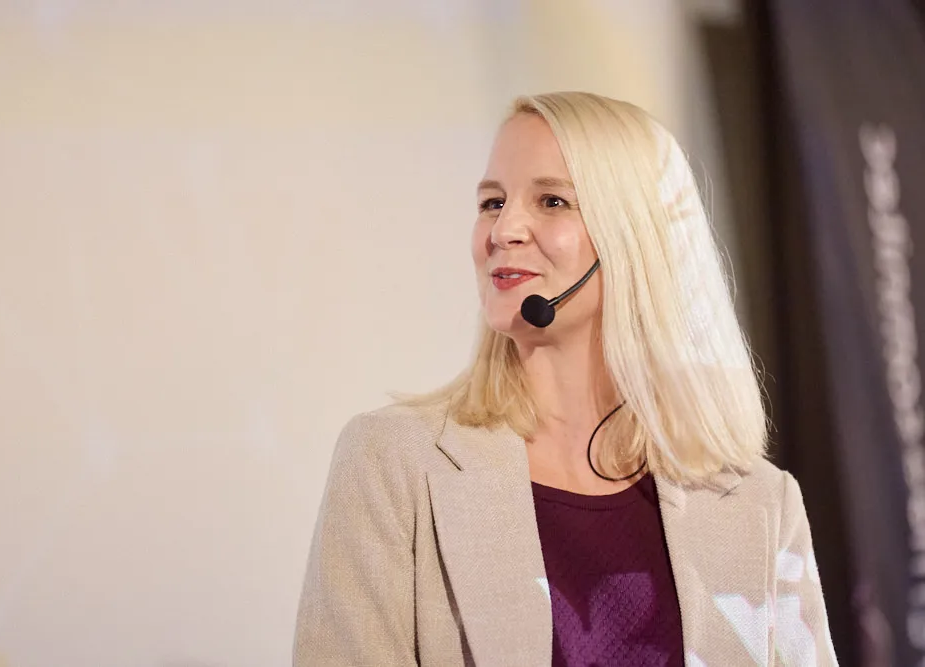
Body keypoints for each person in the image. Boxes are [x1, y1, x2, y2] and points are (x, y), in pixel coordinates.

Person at [293, 91, 838, 666]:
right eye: (492, 202)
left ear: (632, 239)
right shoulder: (393, 462)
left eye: (551, 200)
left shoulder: (758, 500)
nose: (504, 229)